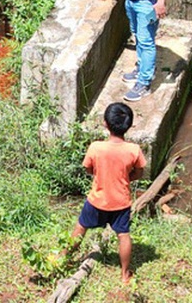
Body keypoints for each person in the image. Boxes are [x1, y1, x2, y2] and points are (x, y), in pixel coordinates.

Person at [70, 102, 146, 283]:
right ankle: (125, 274)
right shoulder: (133, 150)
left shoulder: (96, 147)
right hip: (121, 202)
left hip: (97, 200)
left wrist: (101, 175)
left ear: (105, 123)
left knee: (80, 228)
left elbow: (88, 168)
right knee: (123, 235)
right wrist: (126, 179)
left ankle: (63, 258)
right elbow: (139, 172)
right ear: (128, 125)